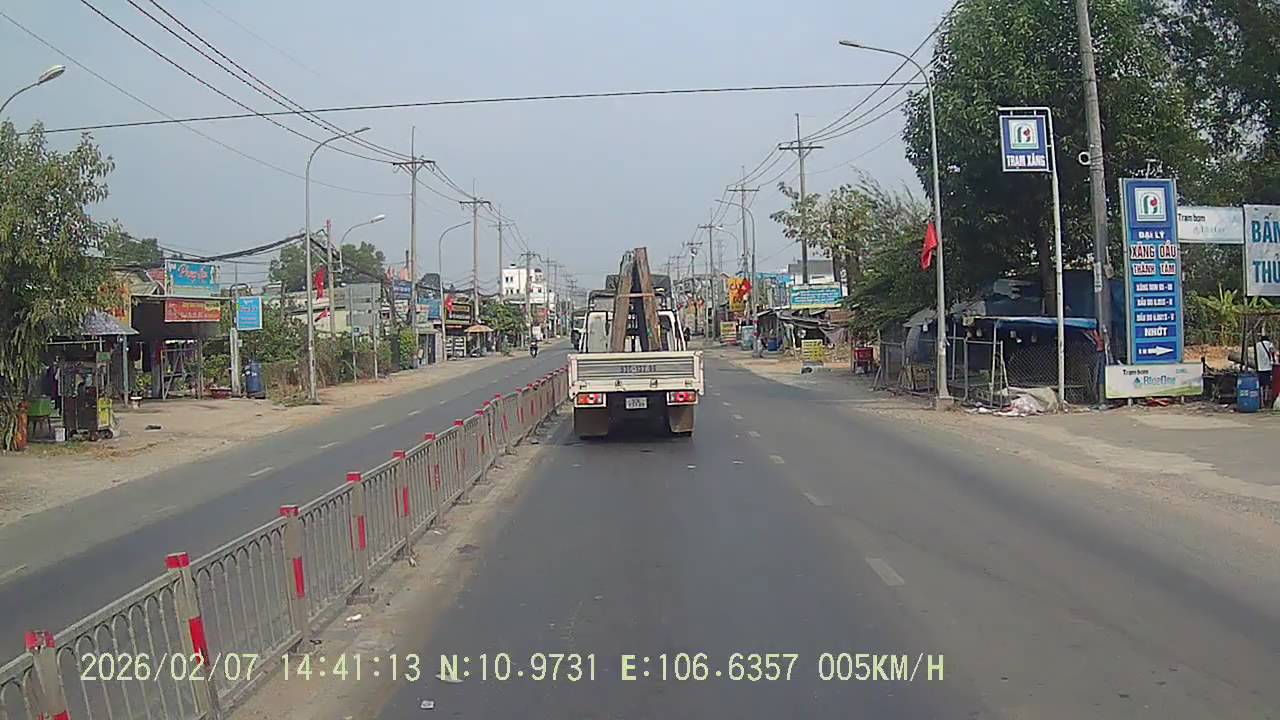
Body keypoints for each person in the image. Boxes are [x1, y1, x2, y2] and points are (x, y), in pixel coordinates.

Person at [1257, 333, 1275, 405]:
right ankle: (1266, 398)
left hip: (1259, 367)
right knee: (1267, 384)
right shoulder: (1270, 344)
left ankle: (1261, 401)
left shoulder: (1258, 345)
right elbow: (1272, 352)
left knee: (1261, 385)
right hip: (1268, 367)